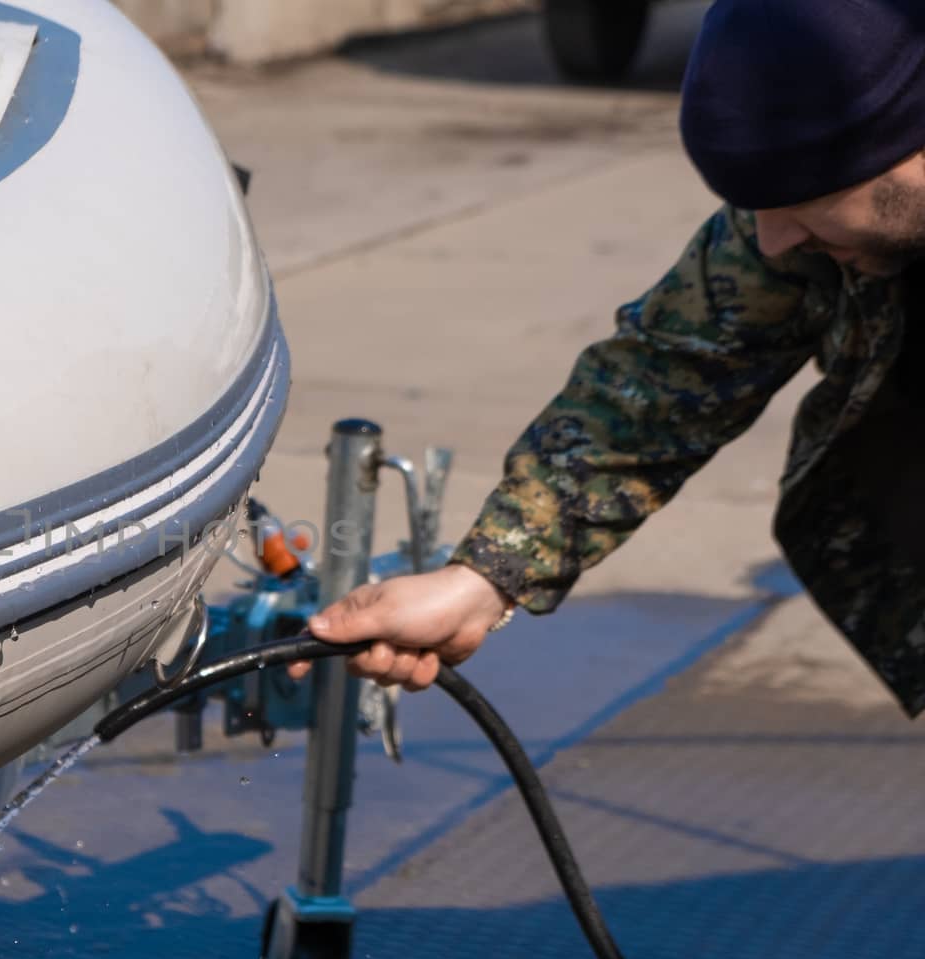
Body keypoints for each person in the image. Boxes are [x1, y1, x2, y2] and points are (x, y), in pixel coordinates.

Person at [292, 0, 925, 717]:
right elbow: (665, 380)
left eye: (806, 202)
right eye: (759, 208)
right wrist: (483, 579)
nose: (774, 242)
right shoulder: (802, 221)